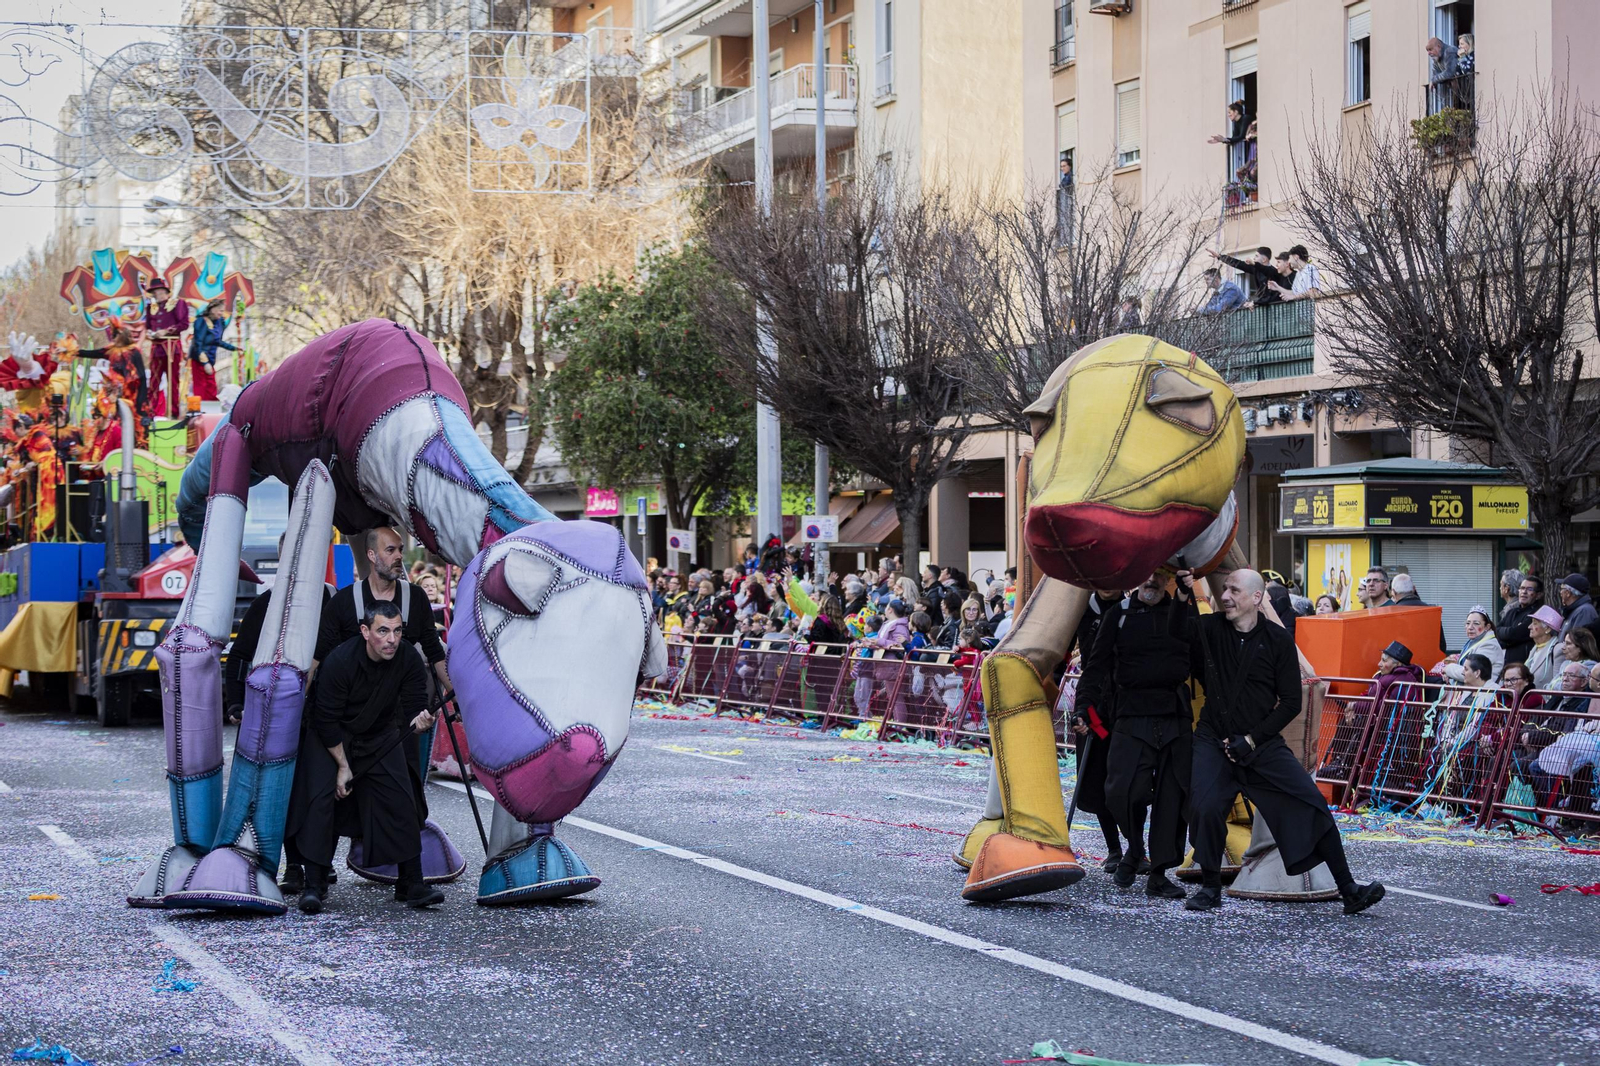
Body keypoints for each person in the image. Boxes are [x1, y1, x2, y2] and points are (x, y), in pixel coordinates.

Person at [1182, 567, 1384, 914]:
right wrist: (1182, 592)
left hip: (1261, 744)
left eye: (1233, 590)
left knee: (1311, 803)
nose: (1225, 596)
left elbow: (1291, 701)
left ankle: (1349, 890)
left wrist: (1252, 739)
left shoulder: (1277, 640)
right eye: (1224, 590)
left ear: (1256, 597)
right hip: (1213, 739)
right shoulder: (1210, 629)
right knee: (1205, 806)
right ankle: (1210, 887)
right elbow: (1178, 631)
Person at [287, 601, 444, 913]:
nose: (391, 639)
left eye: (397, 631)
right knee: (321, 799)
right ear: (365, 631)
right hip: (331, 735)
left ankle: (412, 882)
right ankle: (314, 884)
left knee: (403, 796)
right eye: (383, 631)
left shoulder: (408, 657)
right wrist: (343, 766)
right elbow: (326, 719)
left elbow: (414, 705)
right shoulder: (340, 661)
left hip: (379, 733)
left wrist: (420, 720)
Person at [1076, 572, 1194, 900]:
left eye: (1160, 575)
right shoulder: (1119, 614)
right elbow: (1095, 666)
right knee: (1120, 791)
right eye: (1147, 574)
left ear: (1169, 579)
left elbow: (1203, 661)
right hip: (1130, 714)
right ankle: (1135, 848)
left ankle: (1158, 874)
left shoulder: (1184, 613)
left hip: (1174, 715)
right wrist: (1084, 707)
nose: (1152, 580)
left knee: (1172, 799)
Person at [143, 279, 189, 417]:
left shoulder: (178, 304)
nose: (158, 294)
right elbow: (148, 326)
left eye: (160, 291)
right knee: (153, 382)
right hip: (156, 349)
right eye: (155, 292)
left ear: (166, 291)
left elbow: (184, 324)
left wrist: (166, 331)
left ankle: (174, 413)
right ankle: (151, 413)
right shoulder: (151, 307)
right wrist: (149, 334)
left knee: (173, 381)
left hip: (171, 348)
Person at [1436, 607, 1504, 683]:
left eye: (1476, 623)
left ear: (1487, 627)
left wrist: (1448, 669)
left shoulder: (1490, 645)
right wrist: (1448, 675)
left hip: (1482, 690)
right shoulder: (1474, 641)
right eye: (1468, 623)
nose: (1470, 627)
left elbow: (1472, 674)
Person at [189, 298, 238, 403]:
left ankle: (211, 409)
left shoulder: (219, 322)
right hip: (199, 359)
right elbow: (198, 344)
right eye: (220, 310)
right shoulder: (201, 321)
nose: (221, 313)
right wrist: (205, 363)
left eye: (222, 310)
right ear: (213, 309)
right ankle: (200, 409)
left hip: (211, 359)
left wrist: (234, 348)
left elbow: (217, 341)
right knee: (201, 385)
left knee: (211, 385)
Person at [1496, 575, 1545, 666]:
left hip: (1525, 666)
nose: (1524, 592)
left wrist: (1507, 636)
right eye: (1522, 588)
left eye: (1529, 589)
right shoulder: (1511, 612)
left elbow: (1514, 634)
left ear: (1538, 595)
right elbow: (1496, 631)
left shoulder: (1537, 614)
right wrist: (1509, 637)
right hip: (1507, 665)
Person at [1208, 247, 1278, 307]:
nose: (1254, 258)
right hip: (1262, 305)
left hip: (1274, 306)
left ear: (1264, 259)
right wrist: (1220, 257)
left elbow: (1270, 295)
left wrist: (1255, 302)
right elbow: (1238, 264)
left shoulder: (1273, 272)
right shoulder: (1256, 270)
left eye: (1257, 256)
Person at [1525, 604, 1568, 690]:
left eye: (1535, 623)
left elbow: (1557, 683)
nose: (1529, 627)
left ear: (1547, 629)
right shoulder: (1534, 649)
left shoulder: (1558, 649)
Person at [1557, 574, 1598, 641]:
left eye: (1562, 589)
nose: (1560, 592)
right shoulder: (1575, 610)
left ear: (1568, 593)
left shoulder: (1584, 611)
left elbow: (1578, 642)